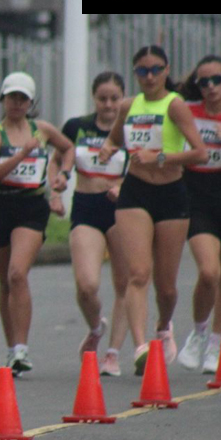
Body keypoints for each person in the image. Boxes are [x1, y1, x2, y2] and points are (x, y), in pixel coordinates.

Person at [98, 45, 207, 375]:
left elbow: (199, 153)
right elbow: (115, 138)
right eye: (142, 71)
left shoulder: (174, 106)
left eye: (155, 70)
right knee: (138, 273)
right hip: (136, 192)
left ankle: (163, 326)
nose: (149, 77)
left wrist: (159, 157)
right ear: (135, 73)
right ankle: (141, 346)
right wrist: (106, 150)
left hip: (171, 193)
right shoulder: (129, 105)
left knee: (167, 285)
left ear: (166, 70)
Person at [0, 72, 73, 376]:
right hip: (1, 204)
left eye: (22, 98)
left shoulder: (42, 130)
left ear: (31, 102)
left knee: (18, 273)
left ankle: (22, 348)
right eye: (11, 97)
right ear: (3, 100)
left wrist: (64, 174)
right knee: (5, 280)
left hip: (32, 205)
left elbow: (69, 148)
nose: (16, 103)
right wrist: (21, 154)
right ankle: (12, 350)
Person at [50, 72, 130, 376]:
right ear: (94, 98)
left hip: (122, 209)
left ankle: (112, 354)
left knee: (124, 284)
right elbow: (57, 159)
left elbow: (143, 166)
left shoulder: (131, 130)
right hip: (86, 205)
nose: (108, 105)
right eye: (102, 98)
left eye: (114, 98)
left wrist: (124, 185)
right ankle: (96, 328)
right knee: (87, 285)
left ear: (123, 98)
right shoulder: (77, 127)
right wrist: (56, 190)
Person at [176, 55, 221, 374]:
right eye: (203, 82)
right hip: (196, 196)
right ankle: (199, 331)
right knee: (209, 271)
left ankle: (216, 345)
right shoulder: (188, 112)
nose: (211, 87)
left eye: (217, 80)